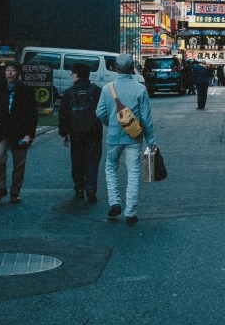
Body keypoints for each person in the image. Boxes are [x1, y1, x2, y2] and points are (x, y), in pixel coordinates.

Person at [95, 53, 155, 224]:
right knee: (134, 172)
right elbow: (146, 119)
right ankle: (130, 212)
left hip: (114, 136)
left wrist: (112, 124)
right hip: (134, 138)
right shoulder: (140, 89)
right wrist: (151, 141)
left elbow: (99, 113)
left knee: (111, 168)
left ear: (116, 68)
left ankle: (114, 202)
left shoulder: (108, 88)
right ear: (132, 68)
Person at [0, 61, 38, 204]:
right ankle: (0, 188)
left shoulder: (26, 90)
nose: (10, 73)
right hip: (2, 130)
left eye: (13, 70)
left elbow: (32, 114)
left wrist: (29, 134)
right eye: (7, 70)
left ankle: (15, 191)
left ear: (18, 73)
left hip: (20, 131)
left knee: (19, 164)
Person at [58, 63, 102, 202]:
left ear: (76, 75)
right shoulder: (96, 91)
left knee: (77, 161)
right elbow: (103, 112)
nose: (71, 76)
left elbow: (64, 115)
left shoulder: (69, 92)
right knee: (92, 162)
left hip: (75, 132)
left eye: (72, 74)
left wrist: (64, 133)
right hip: (94, 132)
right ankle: (91, 188)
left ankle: (79, 187)